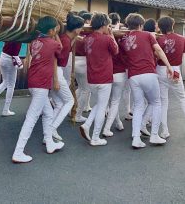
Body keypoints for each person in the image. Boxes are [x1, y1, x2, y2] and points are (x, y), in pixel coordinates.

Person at [12, 16, 64, 163]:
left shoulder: (34, 42)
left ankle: (50, 143)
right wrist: (57, 35)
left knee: (48, 113)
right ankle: (18, 152)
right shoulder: (53, 43)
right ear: (51, 30)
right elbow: (62, 51)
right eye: (55, 29)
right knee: (32, 117)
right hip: (41, 84)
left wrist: (53, 32)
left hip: (33, 81)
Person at [119, 13, 173, 149]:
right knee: (156, 102)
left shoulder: (123, 39)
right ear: (141, 24)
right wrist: (168, 66)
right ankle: (154, 135)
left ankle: (136, 138)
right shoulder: (148, 35)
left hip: (133, 76)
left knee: (137, 106)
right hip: (148, 72)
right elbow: (159, 51)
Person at [79, 13, 119, 147]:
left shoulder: (87, 39)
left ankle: (87, 124)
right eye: (108, 25)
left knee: (99, 105)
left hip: (92, 78)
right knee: (102, 107)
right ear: (103, 25)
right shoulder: (107, 39)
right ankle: (95, 137)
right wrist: (112, 35)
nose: (109, 27)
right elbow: (116, 51)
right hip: (104, 77)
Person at [50, 13, 84, 138]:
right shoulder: (64, 41)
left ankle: (49, 130)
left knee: (59, 103)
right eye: (80, 28)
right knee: (69, 101)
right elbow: (55, 59)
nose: (82, 30)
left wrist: (75, 38)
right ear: (76, 29)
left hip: (54, 72)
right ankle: (52, 129)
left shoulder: (65, 37)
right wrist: (56, 79)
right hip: (56, 72)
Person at [157, 16, 185, 139]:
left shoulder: (159, 39)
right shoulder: (182, 38)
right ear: (172, 25)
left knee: (163, 101)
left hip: (160, 70)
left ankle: (164, 131)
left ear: (161, 26)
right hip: (175, 70)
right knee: (182, 98)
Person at [0, 41, 23, 116]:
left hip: (3, 56)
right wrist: (19, 63)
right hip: (11, 59)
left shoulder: (11, 31)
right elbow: (15, 54)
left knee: (5, 82)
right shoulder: (20, 35)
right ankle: (5, 110)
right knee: (11, 85)